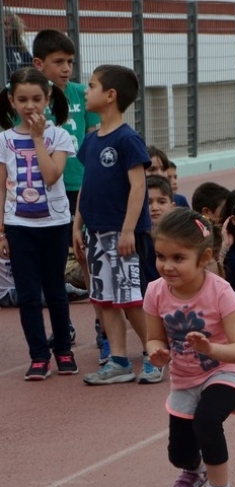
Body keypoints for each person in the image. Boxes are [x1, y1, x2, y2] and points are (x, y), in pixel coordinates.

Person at [144, 208, 235, 487]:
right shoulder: (155, 291)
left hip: (226, 369)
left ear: (203, 258)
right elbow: (153, 338)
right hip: (184, 377)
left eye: (178, 258)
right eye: (161, 256)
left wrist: (210, 348)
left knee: (207, 420)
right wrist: (157, 353)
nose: (167, 265)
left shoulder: (220, 292)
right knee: (179, 453)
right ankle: (196, 470)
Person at [73, 64, 162, 385]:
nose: (86, 90)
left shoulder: (128, 139)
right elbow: (87, 183)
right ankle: (119, 360)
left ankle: (155, 354)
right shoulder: (91, 139)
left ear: (110, 96)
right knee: (104, 300)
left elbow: (138, 187)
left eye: (92, 85)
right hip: (95, 233)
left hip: (123, 235)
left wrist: (127, 229)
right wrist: (77, 223)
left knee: (131, 299)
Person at [32, 29, 104, 362]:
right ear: (38, 63)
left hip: (81, 188)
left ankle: (103, 326)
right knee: (53, 262)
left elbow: (92, 138)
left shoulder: (83, 94)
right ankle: (64, 327)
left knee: (89, 256)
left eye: (70, 62)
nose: (66, 69)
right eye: (58, 62)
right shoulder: (23, 95)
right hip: (42, 189)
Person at [0, 68, 75, 380]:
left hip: (54, 224)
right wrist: (1, 231)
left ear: (47, 99)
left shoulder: (59, 135)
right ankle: (39, 356)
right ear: (11, 101)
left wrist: (37, 139)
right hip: (19, 225)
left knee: (55, 290)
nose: (29, 106)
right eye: (22, 99)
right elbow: (2, 185)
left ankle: (63, 351)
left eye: (36, 99)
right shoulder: (3, 139)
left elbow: (51, 175)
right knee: (29, 294)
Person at [3, 9, 33, 77]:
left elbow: (31, 65)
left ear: (14, 26)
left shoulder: (19, 46)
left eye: (7, 24)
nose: (4, 28)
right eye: (2, 24)